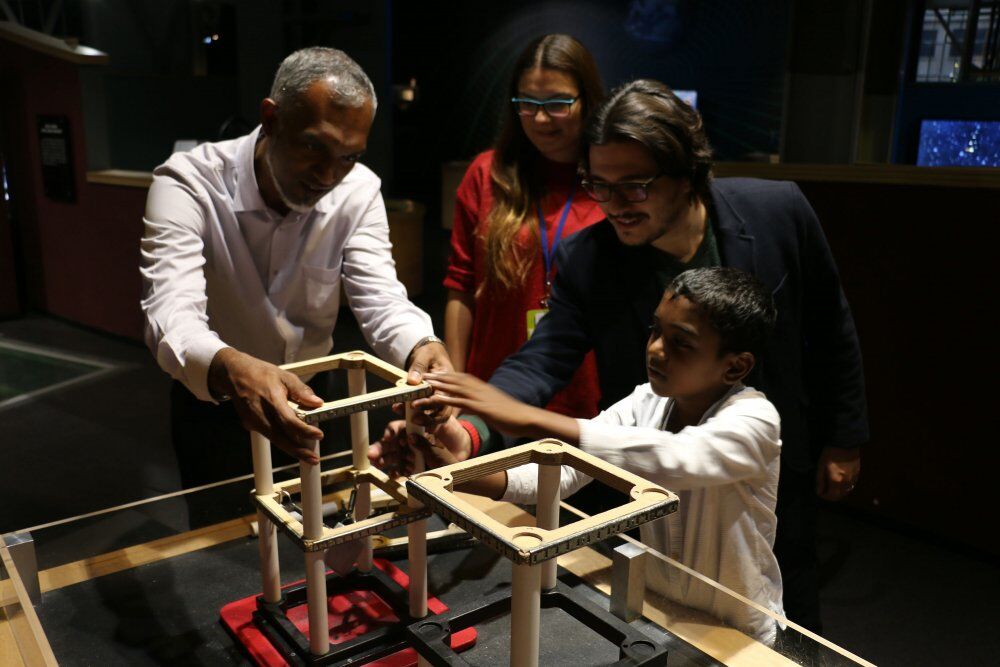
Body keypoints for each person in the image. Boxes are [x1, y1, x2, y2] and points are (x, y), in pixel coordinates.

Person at [406, 78, 867, 631]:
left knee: (779, 595)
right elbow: (542, 361)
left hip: (768, 450)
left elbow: (831, 325)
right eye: (598, 185)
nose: (613, 205)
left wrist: (845, 437)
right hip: (649, 461)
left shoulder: (778, 210)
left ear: (687, 172)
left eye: (634, 186)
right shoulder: (591, 261)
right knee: (666, 601)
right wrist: (470, 434)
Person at [397, 268, 784, 643]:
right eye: (655, 330)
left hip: (741, 634)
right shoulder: (644, 402)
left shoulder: (756, 420)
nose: (655, 349)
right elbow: (562, 472)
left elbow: (678, 459)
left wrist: (523, 416)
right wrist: (454, 469)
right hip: (661, 617)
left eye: (680, 342)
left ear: (736, 366)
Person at [140, 47, 451, 489]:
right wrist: (230, 367)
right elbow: (170, 313)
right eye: (313, 147)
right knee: (225, 531)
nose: (328, 176)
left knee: (333, 520)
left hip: (317, 397)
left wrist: (422, 344)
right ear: (271, 118)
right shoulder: (188, 182)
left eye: (348, 157)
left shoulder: (358, 190)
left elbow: (381, 298)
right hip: (218, 404)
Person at [444, 34, 606, 420]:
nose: (541, 118)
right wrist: (452, 388)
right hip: (493, 391)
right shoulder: (487, 174)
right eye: (528, 104)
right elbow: (461, 287)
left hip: (589, 398)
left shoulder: (610, 181)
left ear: (587, 100)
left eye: (557, 103)